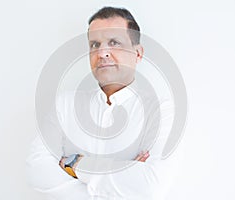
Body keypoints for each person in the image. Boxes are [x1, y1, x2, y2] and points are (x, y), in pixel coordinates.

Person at [27, 6, 178, 200]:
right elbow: (36, 172)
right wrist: (124, 175)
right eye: (95, 44)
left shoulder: (161, 110)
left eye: (114, 42)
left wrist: (75, 164)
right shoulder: (64, 104)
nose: (102, 53)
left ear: (138, 54)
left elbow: (151, 185)